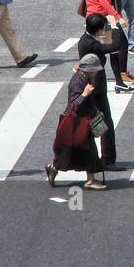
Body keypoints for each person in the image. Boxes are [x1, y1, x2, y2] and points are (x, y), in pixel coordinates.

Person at [46, 55, 108, 190]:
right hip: (77, 120)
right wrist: (84, 94)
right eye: (94, 69)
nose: (96, 72)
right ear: (87, 70)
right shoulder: (78, 82)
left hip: (83, 119)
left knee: (72, 150)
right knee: (86, 149)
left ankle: (54, 168)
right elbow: (74, 104)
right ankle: (90, 181)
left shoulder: (86, 77)